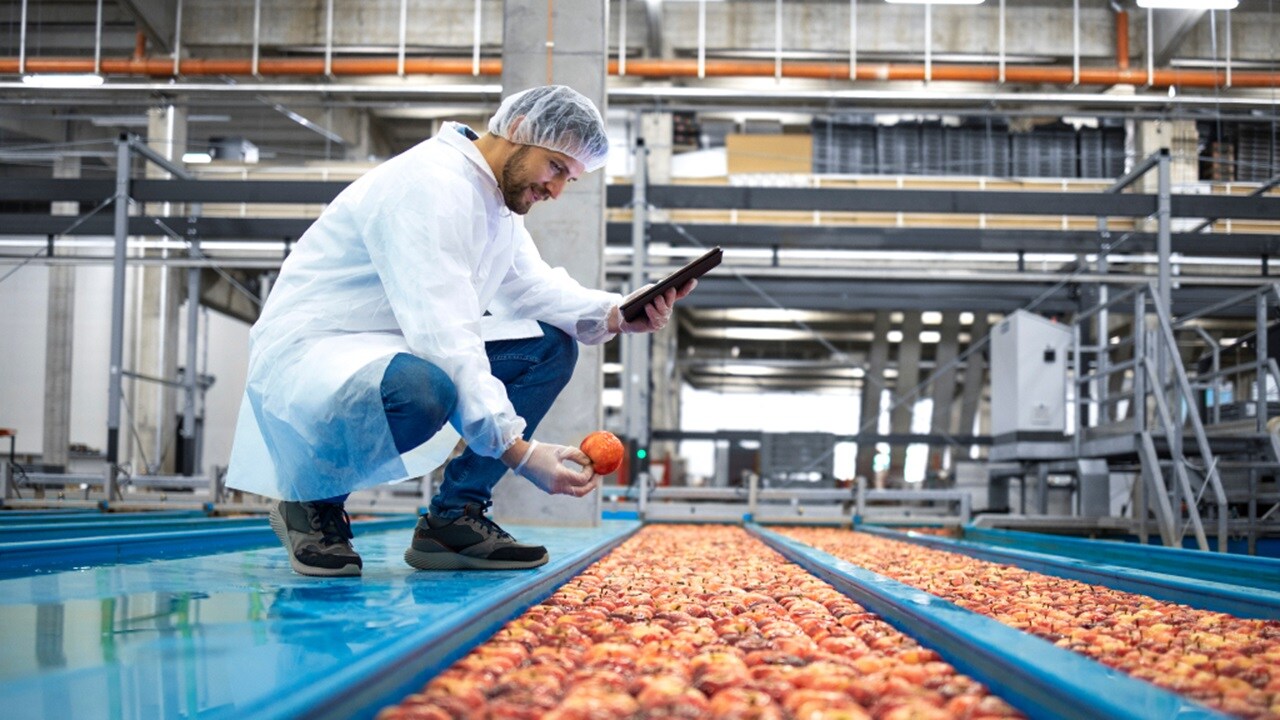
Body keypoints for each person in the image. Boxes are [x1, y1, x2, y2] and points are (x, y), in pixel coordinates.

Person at [225, 85, 693, 577]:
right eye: (556, 167)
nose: (556, 190)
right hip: (322, 353)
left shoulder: (492, 199)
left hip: (397, 346)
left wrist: (618, 313)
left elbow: (529, 288)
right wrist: (521, 452)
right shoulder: (430, 185)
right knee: (424, 390)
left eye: (569, 178)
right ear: (518, 132)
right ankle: (310, 496)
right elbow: (444, 333)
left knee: (550, 347)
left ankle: (453, 518)